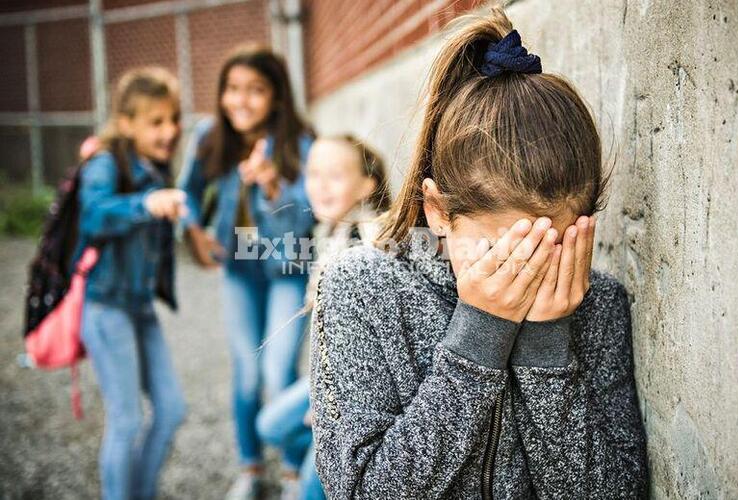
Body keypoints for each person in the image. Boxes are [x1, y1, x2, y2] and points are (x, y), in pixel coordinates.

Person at [310, 8, 648, 499]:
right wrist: (479, 337)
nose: (527, 272)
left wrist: (546, 346)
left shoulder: (598, 305)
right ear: (438, 211)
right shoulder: (362, 288)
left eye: (548, 247)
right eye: (504, 251)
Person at [176, 43, 315, 499]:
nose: (241, 100)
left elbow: (302, 224)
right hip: (240, 270)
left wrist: (273, 185)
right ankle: (251, 467)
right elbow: (188, 193)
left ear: (276, 96)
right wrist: (193, 229)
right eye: (232, 89)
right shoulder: (209, 136)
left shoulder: (301, 143)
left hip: (287, 269)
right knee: (248, 374)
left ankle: (296, 468)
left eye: (255, 90)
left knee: (278, 374)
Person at [257, 135, 390, 500]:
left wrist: (330, 407)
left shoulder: (368, 242)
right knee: (270, 425)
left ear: (367, 186)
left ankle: (345, 467)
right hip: (330, 378)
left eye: (335, 175)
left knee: (309, 490)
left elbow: (372, 342)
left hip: (356, 390)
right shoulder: (331, 231)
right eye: (313, 174)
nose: (320, 186)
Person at [78, 67, 188, 500]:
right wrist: (145, 203)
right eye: (156, 121)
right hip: (106, 308)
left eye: (173, 119)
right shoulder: (107, 162)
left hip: (139, 308)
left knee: (172, 409)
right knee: (125, 419)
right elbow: (93, 216)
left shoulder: (157, 168)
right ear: (126, 123)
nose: (170, 130)